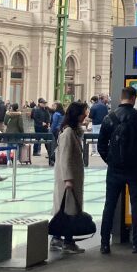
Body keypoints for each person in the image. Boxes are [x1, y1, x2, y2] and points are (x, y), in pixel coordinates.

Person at [98, 87, 137, 255]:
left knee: (109, 205)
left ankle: (104, 244)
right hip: (136, 170)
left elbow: (101, 146)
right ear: (134, 98)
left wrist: (111, 161)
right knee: (136, 205)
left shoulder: (109, 118)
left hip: (115, 170)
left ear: (121, 98)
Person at [51, 101, 88, 254]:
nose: (86, 115)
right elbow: (65, 157)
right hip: (68, 180)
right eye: (84, 113)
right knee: (69, 211)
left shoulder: (71, 131)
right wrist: (68, 179)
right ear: (77, 115)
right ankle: (67, 241)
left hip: (70, 178)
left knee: (63, 210)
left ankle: (57, 237)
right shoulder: (68, 133)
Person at [49, 102, 65, 167]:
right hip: (62, 130)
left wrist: (51, 131)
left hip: (56, 130)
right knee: (60, 144)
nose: (53, 107)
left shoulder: (56, 114)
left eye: (54, 106)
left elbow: (54, 123)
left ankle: (53, 158)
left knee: (55, 145)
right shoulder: (63, 114)